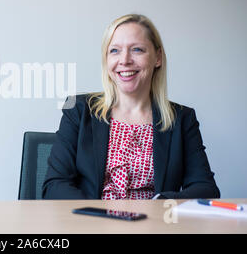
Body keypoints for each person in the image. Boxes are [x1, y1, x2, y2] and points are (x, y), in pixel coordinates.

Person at [42, 14, 220, 200]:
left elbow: (205, 188)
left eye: (137, 49)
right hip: (92, 223)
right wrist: (98, 216)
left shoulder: (182, 118)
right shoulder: (78, 109)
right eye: (115, 51)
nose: (125, 60)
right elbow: (55, 185)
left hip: (154, 225)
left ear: (157, 58)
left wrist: (160, 206)